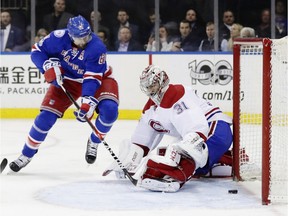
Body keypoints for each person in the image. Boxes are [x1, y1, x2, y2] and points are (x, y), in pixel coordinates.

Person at [9, 15, 119, 172]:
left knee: (110, 110)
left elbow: (92, 78)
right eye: (80, 38)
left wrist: (87, 103)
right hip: (67, 81)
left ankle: (94, 141)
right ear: (70, 35)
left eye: (87, 36)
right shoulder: (57, 38)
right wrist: (46, 66)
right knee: (44, 118)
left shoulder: (97, 47)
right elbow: (36, 51)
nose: (85, 41)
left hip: (98, 79)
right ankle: (26, 155)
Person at [103, 65, 233, 192]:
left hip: (216, 129)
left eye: (152, 85)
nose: (149, 89)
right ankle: (224, 161)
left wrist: (189, 146)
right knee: (165, 153)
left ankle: (173, 180)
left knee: (186, 151)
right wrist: (129, 161)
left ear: (161, 82)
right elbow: (141, 141)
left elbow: (197, 129)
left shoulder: (176, 94)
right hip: (205, 135)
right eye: (147, 86)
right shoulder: (150, 110)